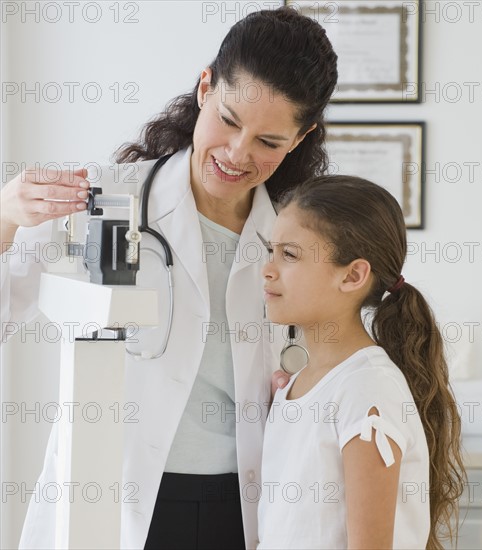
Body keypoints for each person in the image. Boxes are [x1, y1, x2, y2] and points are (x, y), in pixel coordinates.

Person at [0, 8, 338, 549]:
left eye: (268, 142)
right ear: (206, 87)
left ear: (300, 139)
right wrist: (4, 218)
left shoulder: (300, 238)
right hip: (118, 505)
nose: (237, 154)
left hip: (245, 506)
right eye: (229, 120)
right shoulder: (103, 199)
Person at [258, 175, 466, 549]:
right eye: (270, 251)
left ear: (353, 275)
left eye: (289, 255)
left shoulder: (366, 388)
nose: (267, 270)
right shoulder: (300, 383)